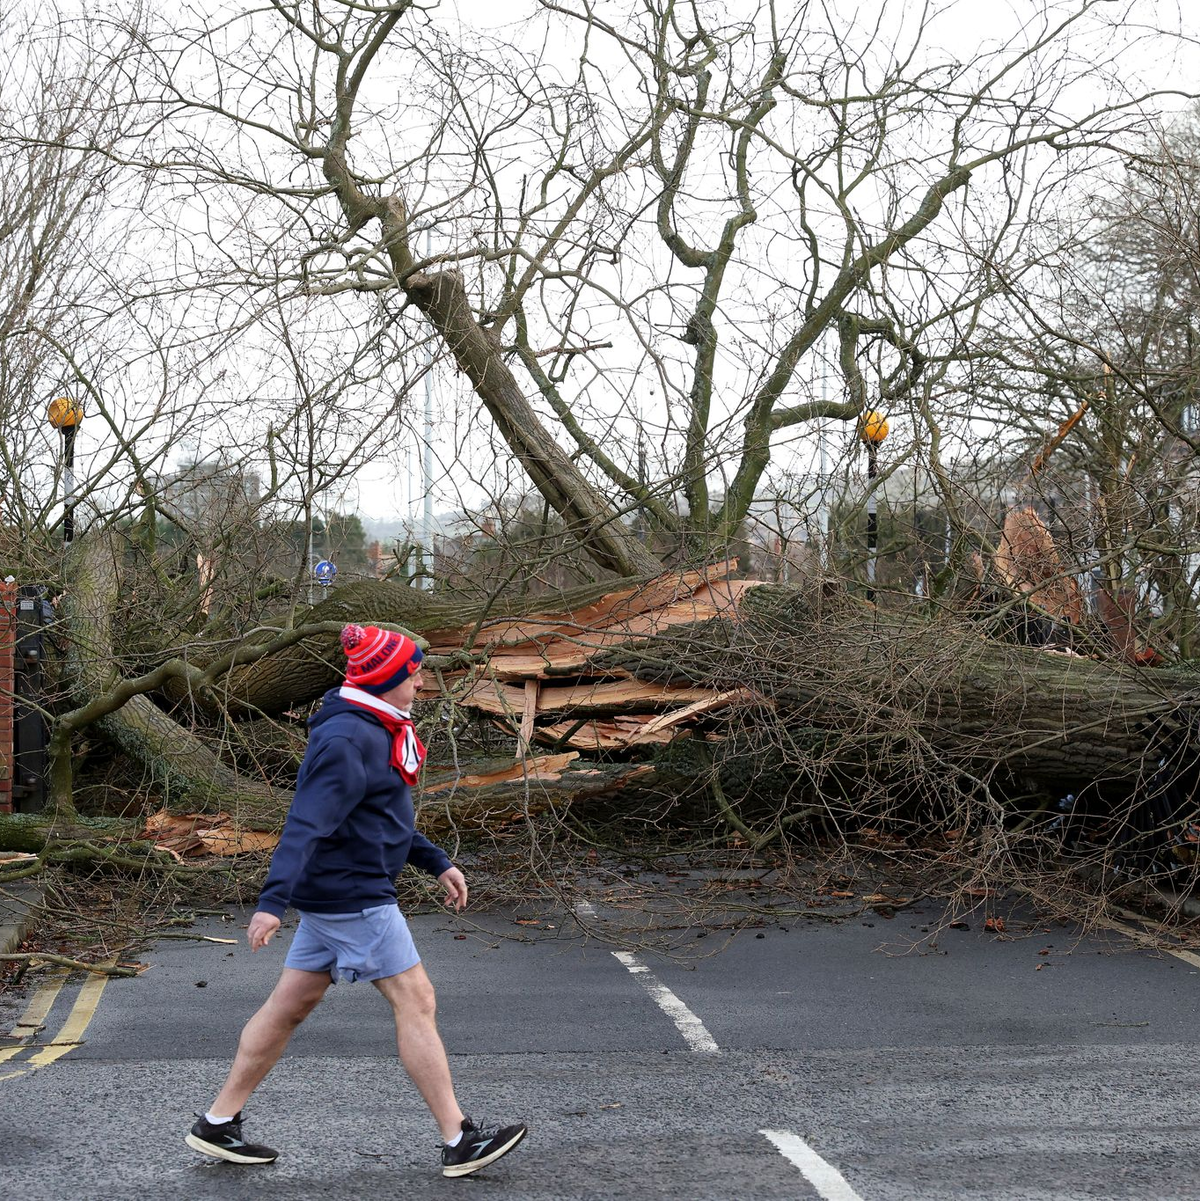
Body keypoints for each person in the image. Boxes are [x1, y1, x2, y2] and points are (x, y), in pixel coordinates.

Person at [184, 623, 527, 1178]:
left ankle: (218, 1122)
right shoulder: (349, 739)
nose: (420, 681)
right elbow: (305, 823)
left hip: (338, 890)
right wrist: (273, 901)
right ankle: (458, 1138)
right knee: (417, 1001)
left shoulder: (376, 726)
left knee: (288, 1006)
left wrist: (436, 861)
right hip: (353, 895)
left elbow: (377, 819)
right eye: (412, 672)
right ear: (387, 678)